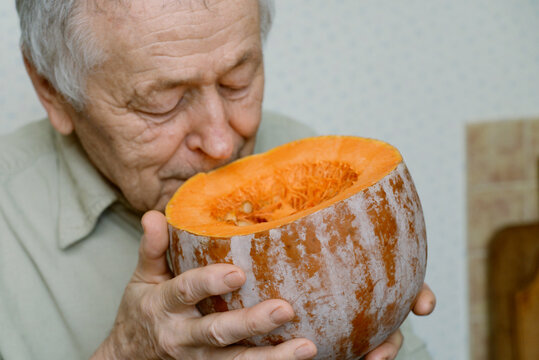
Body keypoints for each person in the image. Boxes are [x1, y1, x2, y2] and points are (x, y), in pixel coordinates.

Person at [0, 0, 436, 359]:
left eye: (237, 82)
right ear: (50, 90)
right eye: (162, 104)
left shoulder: (300, 151)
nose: (222, 143)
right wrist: (124, 353)